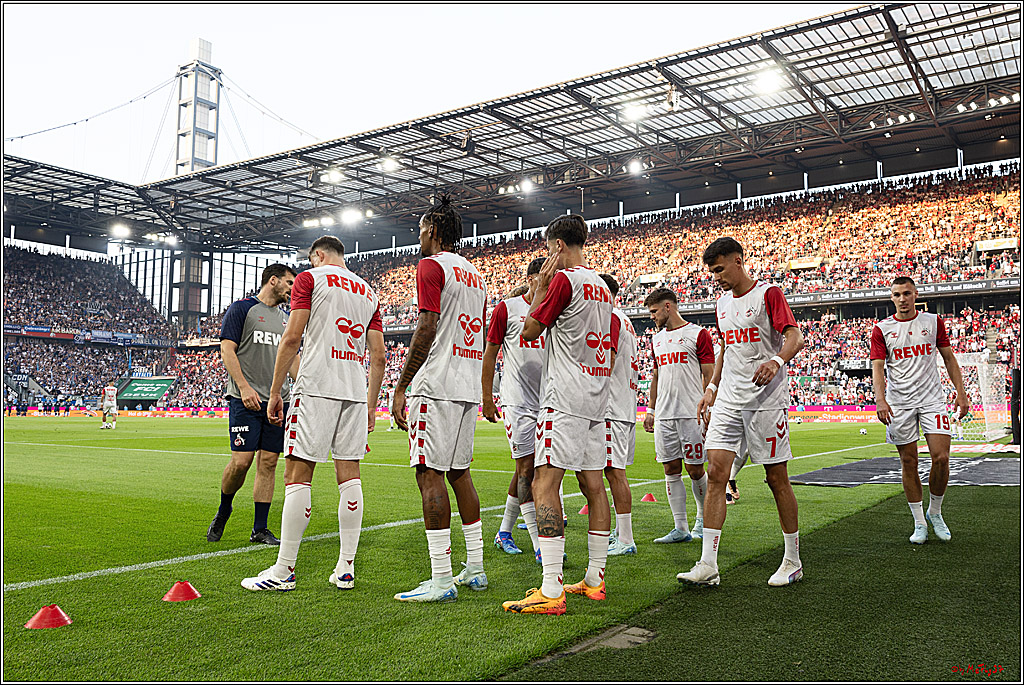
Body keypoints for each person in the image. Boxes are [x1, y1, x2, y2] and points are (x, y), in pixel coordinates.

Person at [242, 236, 385, 591]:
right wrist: (371, 405)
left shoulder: (310, 278)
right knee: (349, 476)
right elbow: (379, 356)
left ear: (318, 255)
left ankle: (284, 571)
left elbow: (292, 338)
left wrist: (275, 392)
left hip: (317, 386)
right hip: (354, 390)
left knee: (297, 475)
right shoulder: (369, 292)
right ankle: (346, 569)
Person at [503, 214, 618, 616]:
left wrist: (538, 291)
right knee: (594, 487)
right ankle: (595, 579)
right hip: (596, 399)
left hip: (564, 398)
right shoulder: (601, 285)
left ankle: (551, 588)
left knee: (543, 483)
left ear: (557, 246)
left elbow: (529, 330)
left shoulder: (564, 281)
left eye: (548, 247)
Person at [681, 236, 805, 588]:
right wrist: (711, 388)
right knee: (716, 473)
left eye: (720, 269)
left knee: (776, 478)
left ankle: (793, 560)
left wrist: (776, 360)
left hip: (766, 400)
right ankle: (708, 564)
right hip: (728, 399)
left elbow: (795, 337)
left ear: (738, 261)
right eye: (712, 271)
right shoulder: (721, 304)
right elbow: (726, 349)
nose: (716, 277)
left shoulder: (768, 294)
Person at [391, 196, 489, 603]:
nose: (418, 237)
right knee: (460, 473)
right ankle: (476, 568)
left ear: (432, 231)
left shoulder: (431, 266)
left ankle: (441, 578)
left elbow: (427, 326)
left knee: (429, 473)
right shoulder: (477, 275)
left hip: (436, 384)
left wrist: (402, 385)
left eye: (420, 230)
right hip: (466, 385)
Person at [870, 276, 968, 544]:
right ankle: (919, 522)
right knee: (909, 461)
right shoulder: (881, 329)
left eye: (906, 293)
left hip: (932, 399)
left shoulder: (933, 322)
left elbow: (948, 358)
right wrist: (880, 400)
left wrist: (961, 392)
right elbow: (878, 367)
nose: (902, 299)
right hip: (899, 403)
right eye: (897, 294)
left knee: (941, 457)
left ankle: (935, 512)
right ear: (891, 298)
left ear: (916, 295)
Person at [207, 263, 298, 546]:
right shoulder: (241, 309)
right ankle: (224, 508)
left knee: (269, 462)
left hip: (278, 402)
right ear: (273, 281)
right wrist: (244, 387)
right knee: (241, 462)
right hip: (245, 399)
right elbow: (227, 349)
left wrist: (306, 388)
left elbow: (292, 358)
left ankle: (260, 528)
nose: (293, 289)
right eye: (289, 283)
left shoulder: (287, 319)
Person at [483, 258, 547, 558]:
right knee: (526, 469)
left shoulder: (556, 309)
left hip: (548, 401)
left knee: (532, 467)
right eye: (546, 278)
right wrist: (487, 397)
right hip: (517, 401)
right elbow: (490, 353)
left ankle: (504, 532)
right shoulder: (507, 309)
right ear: (531, 279)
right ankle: (539, 544)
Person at [643, 287, 715, 543]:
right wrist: (651, 409)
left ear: (668, 307)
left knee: (695, 469)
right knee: (670, 468)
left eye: (654, 311)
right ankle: (680, 528)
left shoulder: (698, 334)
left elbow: (709, 373)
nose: (652, 317)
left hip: (690, 414)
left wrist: (709, 406)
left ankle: (703, 520)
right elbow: (656, 376)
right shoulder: (656, 340)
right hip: (664, 414)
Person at [598, 274, 640, 557]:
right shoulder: (626, 321)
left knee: (614, 472)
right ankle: (620, 533)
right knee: (613, 471)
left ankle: (626, 538)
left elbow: (607, 360)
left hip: (612, 406)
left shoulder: (610, 317)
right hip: (624, 404)